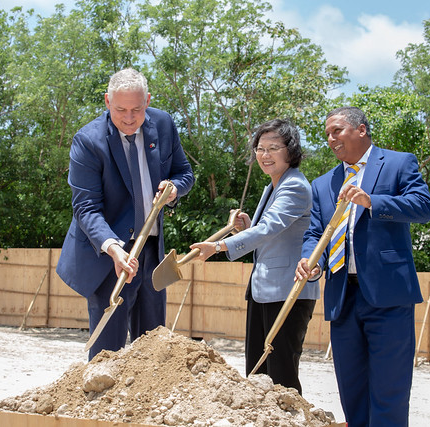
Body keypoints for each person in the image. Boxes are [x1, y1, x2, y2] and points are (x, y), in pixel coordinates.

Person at [295, 106, 430, 426]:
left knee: (389, 391)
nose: (330, 139)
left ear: (361, 130)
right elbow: (316, 233)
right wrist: (310, 260)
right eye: (327, 134)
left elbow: (423, 207)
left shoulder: (398, 163)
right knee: (353, 392)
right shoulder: (323, 184)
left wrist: (373, 201)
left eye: (337, 131)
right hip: (343, 299)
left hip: (389, 296)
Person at [56, 68, 194, 359]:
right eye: (121, 110)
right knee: (108, 351)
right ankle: (101, 402)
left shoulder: (164, 124)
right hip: (109, 256)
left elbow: (184, 173)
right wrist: (114, 249)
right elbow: (86, 207)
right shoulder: (88, 141)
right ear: (107, 101)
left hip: (152, 253)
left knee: (153, 351)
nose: (129, 118)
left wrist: (174, 189)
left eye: (137, 109)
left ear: (148, 101)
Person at [190, 119, 318, 394]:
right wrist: (247, 228)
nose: (265, 155)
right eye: (260, 148)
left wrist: (219, 246)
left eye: (274, 148)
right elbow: (268, 234)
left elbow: (269, 228)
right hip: (265, 290)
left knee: (281, 375)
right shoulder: (273, 186)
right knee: (258, 373)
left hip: (288, 290)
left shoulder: (294, 186)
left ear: (291, 150)